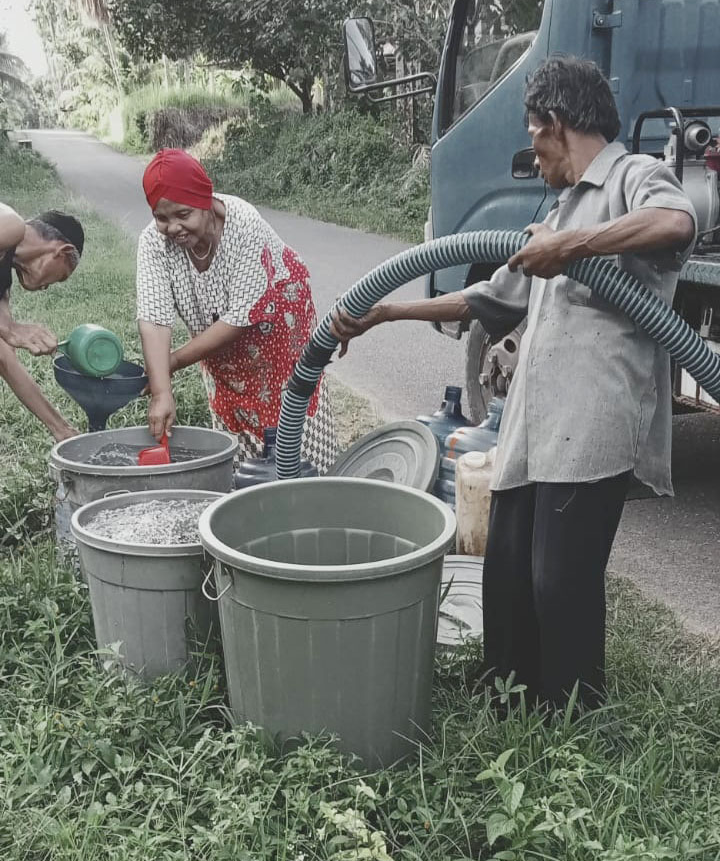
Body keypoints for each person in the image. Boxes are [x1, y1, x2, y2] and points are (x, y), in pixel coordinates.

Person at [331, 56, 697, 709]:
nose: (532, 151)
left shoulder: (635, 175)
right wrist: (385, 310)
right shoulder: (559, 212)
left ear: (554, 122)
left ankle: (575, 715)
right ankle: (509, 704)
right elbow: (487, 298)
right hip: (531, 423)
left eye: (532, 133)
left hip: (592, 420)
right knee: (506, 577)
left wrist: (572, 246)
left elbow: (677, 222)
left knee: (560, 581)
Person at [136, 149, 337, 471]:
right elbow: (154, 319)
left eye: (183, 214)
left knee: (292, 422)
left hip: (278, 330)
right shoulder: (153, 243)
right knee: (236, 431)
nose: (173, 228)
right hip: (218, 344)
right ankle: (246, 487)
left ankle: (310, 486)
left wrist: (171, 362)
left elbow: (239, 319)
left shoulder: (243, 223)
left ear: (204, 200)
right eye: (162, 218)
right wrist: (161, 391)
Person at [0, 203, 84, 442]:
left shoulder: (3, 281)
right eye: (61, 277)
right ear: (63, 251)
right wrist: (9, 328)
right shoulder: (11, 225)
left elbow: (4, 356)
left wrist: (61, 429)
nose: (46, 287)